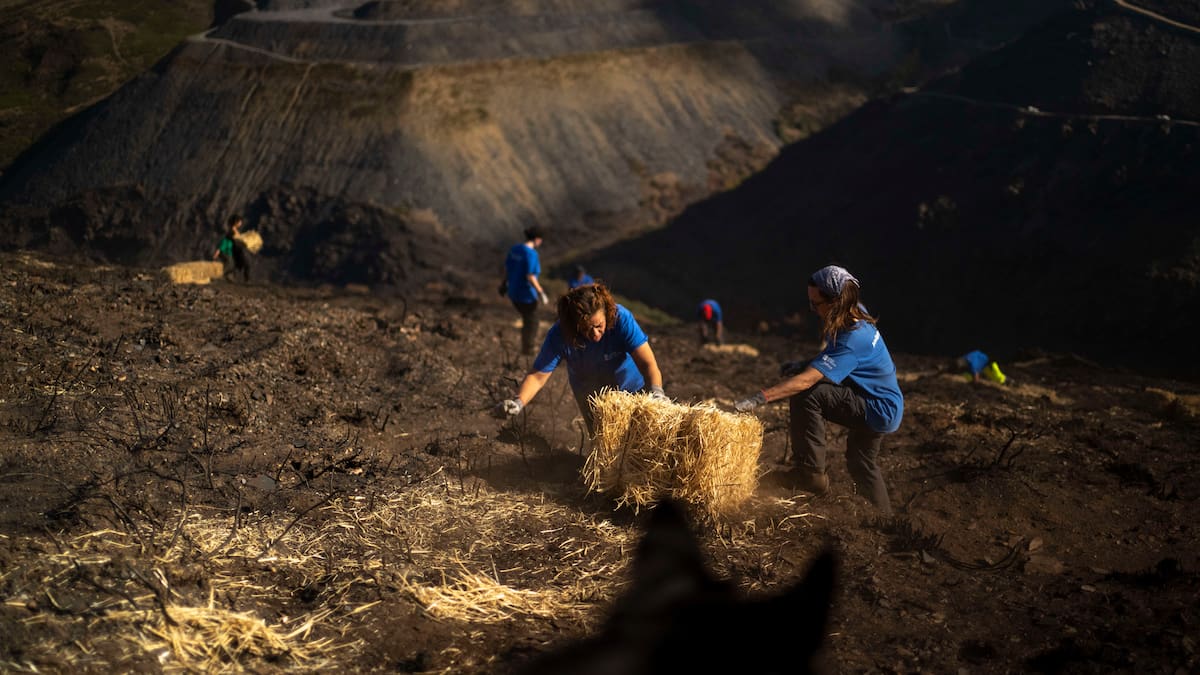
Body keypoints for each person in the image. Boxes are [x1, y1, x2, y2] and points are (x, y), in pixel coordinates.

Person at [732, 265, 903, 515]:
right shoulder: (855, 312)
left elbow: (806, 381)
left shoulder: (854, 340)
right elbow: (833, 353)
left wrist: (760, 398)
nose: (813, 310)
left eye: (816, 304)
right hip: (886, 404)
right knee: (861, 461)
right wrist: (804, 364)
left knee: (808, 395)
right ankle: (885, 519)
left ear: (835, 302)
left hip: (877, 408)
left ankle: (810, 474)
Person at [495, 282, 667, 434]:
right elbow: (538, 377)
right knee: (604, 443)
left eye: (599, 326)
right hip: (591, 394)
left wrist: (657, 392)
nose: (594, 333)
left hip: (632, 386)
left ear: (606, 314)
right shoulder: (560, 334)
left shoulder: (621, 319)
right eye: (585, 328)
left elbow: (647, 363)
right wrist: (518, 402)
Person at [502, 227, 550, 355]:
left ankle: (526, 347)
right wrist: (541, 292)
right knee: (533, 321)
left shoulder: (515, 249)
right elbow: (530, 276)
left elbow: (507, 268)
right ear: (537, 239)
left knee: (527, 318)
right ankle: (528, 349)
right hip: (525, 295)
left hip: (513, 291)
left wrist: (504, 284)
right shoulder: (531, 254)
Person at [212, 214, 251, 282]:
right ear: (236, 222)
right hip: (234, 252)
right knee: (242, 265)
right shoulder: (231, 232)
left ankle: (231, 278)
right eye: (240, 221)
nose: (241, 223)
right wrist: (218, 251)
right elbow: (225, 241)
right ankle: (228, 277)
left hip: (236, 251)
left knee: (237, 265)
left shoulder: (235, 231)